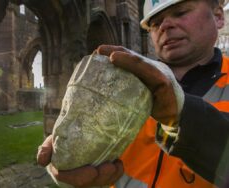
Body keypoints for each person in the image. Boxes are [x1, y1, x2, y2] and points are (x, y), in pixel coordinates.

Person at [37, 0, 229, 187]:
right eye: (155, 23)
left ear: (219, 16)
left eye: (180, 12)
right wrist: (67, 162)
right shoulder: (124, 82)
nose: (165, 26)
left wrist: (183, 114)